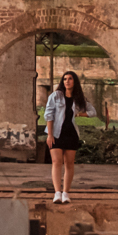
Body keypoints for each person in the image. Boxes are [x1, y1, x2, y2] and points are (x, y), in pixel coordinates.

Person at [44, 70, 98, 204]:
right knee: (56, 161)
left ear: (74, 81)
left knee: (69, 163)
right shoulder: (55, 96)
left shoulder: (79, 98)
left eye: (70, 79)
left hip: (71, 134)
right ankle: (57, 193)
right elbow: (48, 115)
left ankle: (66, 193)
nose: (67, 81)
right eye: (65, 79)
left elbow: (93, 112)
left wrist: (79, 114)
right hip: (56, 133)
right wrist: (50, 134)